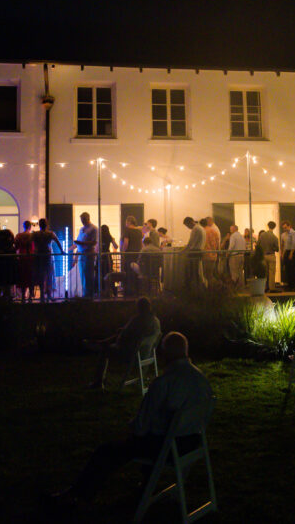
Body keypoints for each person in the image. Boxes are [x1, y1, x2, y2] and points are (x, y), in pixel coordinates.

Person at [51, 332, 213, 510]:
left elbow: (141, 427)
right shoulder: (201, 379)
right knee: (143, 439)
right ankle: (143, 489)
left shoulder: (164, 383)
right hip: (192, 444)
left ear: (165, 353)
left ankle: (78, 495)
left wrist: (131, 427)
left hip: (168, 448)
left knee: (107, 451)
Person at [84, 297, 162, 389]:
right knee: (118, 335)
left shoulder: (138, 320)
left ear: (139, 307)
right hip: (146, 355)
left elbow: (124, 337)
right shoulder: (156, 321)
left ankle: (98, 381)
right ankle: (101, 343)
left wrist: (123, 332)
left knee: (105, 350)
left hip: (131, 354)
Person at [32, 218, 63, 300]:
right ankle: (48, 294)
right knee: (49, 274)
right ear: (47, 225)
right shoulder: (50, 234)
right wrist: (62, 251)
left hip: (38, 255)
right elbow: (58, 242)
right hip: (47, 255)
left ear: (39, 224)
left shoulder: (35, 234)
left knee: (40, 275)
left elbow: (30, 243)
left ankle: (42, 293)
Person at [74, 212, 99, 298]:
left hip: (89, 253)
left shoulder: (94, 228)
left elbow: (94, 242)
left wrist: (81, 243)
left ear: (87, 218)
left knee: (89, 274)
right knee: (83, 274)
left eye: (83, 220)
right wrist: (76, 256)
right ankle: (85, 293)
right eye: (81, 220)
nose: (82, 222)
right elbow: (78, 243)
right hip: (81, 254)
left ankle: (90, 294)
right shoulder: (81, 229)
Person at [121, 216, 144, 297]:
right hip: (137, 255)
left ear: (129, 222)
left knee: (129, 272)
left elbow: (126, 243)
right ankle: (137, 291)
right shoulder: (139, 231)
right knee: (136, 272)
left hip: (129, 254)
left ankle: (129, 291)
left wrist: (123, 252)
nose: (125, 223)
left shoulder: (127, 230)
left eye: (126, 222)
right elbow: (141, 244)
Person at [182, 216, 206, 296]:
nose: (188, 227)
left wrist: (183, 251)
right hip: (200, 251)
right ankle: (199, 290)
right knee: (198, 272)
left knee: (194, 273)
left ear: (190, 222)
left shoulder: (195, 229)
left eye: (187, 225)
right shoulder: (201, 228)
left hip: (194, 252)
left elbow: (191, 243)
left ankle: (195, 292)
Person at [14, 220, 34, 301]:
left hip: (21, 256)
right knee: (30, 276)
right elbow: (34, 246)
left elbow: (16, 246)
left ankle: (23, 296)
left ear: (23, 226)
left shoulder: (19, 235)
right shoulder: (32, 235)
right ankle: (30, 296)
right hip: (30, 257)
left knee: (22, 277)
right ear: (30, 226)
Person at [257, 221, 280, 291]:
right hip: (271, 255)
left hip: (263, 255)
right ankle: (272, 287)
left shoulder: (262, 235)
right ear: (274, 227)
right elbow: (277, 249)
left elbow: (258, 245)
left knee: (265, 272)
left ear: (267, 226)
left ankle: (264, 287)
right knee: (272, 272)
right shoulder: (275, 237)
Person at [280, 221, 295, 291]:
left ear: (289, 226)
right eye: (283, 228)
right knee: (287, 269)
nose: (285, 229)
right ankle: (289, 285)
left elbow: (294, 243)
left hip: (292, 251)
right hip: (286, 251)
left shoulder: (293, 233)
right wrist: (282, 254)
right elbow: (282, 244)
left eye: (286, 227)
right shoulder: (283, 235)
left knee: (293, 269)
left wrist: (291, 253)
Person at [227, 223, 246, 291]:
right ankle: (241, 288)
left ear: (234, 229)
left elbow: (231, 246)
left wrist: (227, 253)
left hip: (234, 256)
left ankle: (235, 289)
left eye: (231, 229)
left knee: (234, 273)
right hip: (241, 255)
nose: (230, 230)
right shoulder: (241, 236)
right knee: (240, 272)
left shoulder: (233, 236)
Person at [202, 217, 221, 286]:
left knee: (208, 275)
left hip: (206, 255)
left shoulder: (204, 231)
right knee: (212, 274)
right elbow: (216, 244)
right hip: (214, 255)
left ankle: (212, 289)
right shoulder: (214, 230)